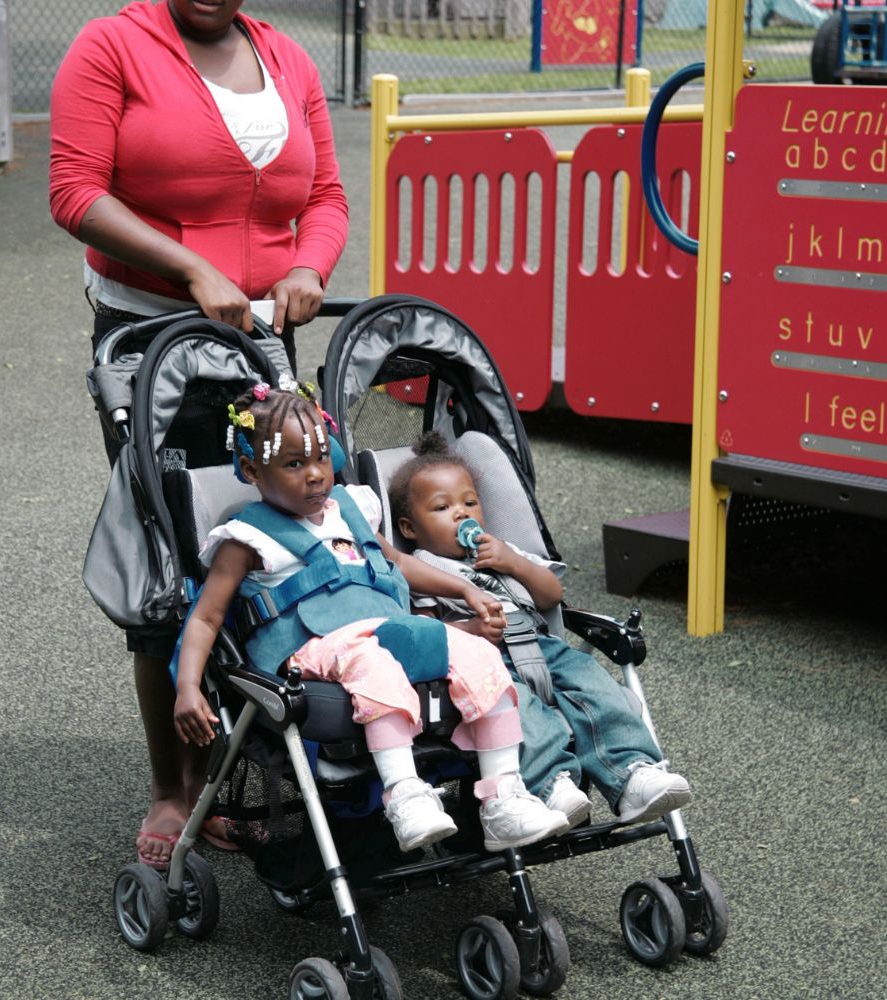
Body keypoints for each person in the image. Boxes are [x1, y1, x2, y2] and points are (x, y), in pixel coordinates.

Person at [49, 0, 349, 868]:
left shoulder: (288, 59)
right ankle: (176, 789)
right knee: (172, 554)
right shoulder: (112, 46)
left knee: (281, 535)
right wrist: (189, 268)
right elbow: (75, 192)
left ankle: (266, 754)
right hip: (155, 345)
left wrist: (308, 264)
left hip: (261, 342)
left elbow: (324, 196)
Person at [174, 382, 571, 855]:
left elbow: (397, 563)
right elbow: (205, 618)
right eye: (294, 464)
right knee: (372, 661)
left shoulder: (349, 510)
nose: (315, 475)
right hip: (313, 650)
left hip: (389, 631)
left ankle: (504, 797)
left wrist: (464, 588)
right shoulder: (245, 539)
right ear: (251, 470)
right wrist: (188, 687)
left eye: (322, 457)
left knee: (479, 654)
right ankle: (405, 794)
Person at [388, 432, 693, 830]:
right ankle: (552, 784)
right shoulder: (421, 570)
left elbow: (551, 596)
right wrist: (471, 628)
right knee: (520, 709)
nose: (461, 514)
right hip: (487, 665)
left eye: (470, 502)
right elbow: (427, 632)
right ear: (409, 528)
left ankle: (632, 773)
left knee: (595, 685)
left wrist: (515, 563)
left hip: (543, 644)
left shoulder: (502, 550)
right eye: (443, 507)